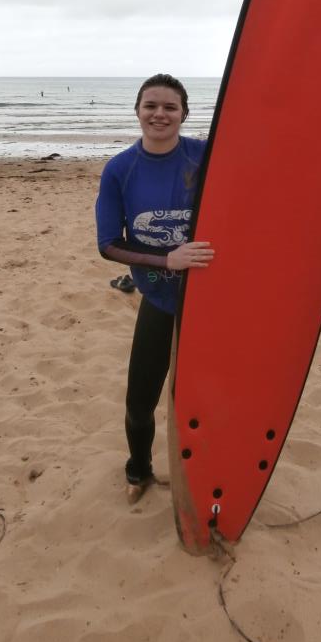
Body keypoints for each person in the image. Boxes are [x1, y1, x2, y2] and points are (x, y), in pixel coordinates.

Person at [95, 74, 214, 504]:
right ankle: (139, 470)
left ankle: (208, 476)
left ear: (184, 114)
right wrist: (167, 260)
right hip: (161, 300)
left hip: (213, 302)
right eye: (151, 106)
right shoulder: (120, 170)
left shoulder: (206, 156)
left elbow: (275, 158)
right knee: (139, 402)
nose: (159, 114)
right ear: (138, 111)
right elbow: (108, 243)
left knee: (212, 402)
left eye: (169, 107)